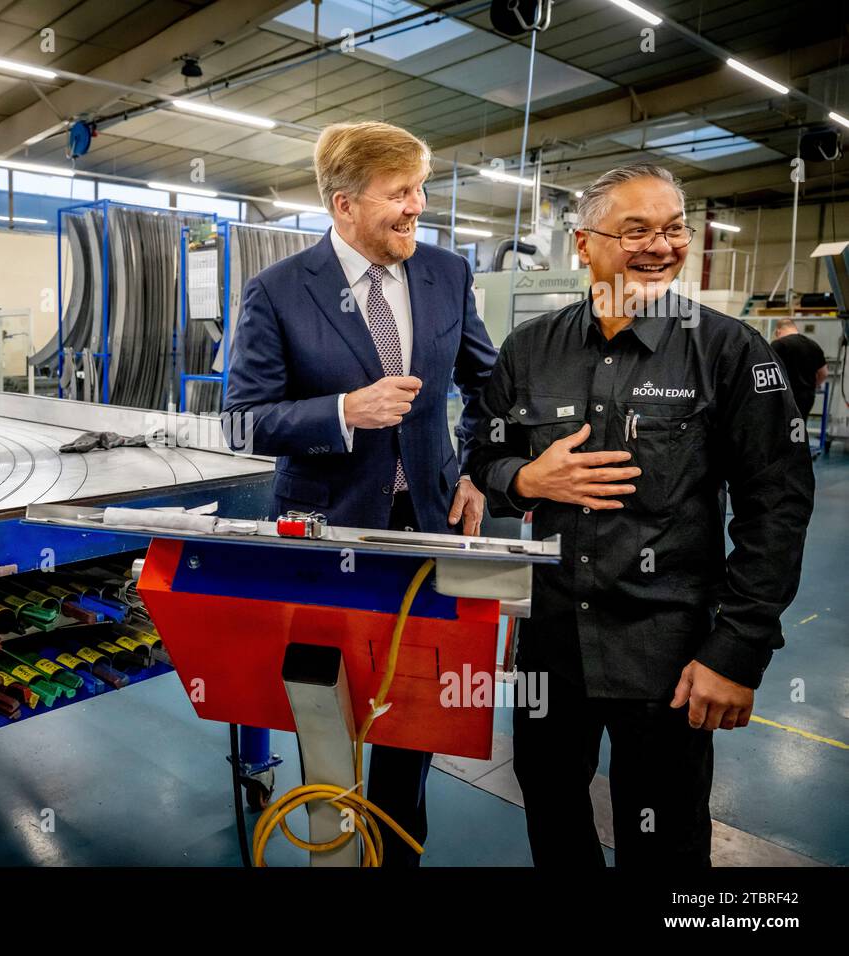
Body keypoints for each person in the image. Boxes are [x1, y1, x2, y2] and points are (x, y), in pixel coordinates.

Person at [467, 163, 815, 867]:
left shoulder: (728, 351)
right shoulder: (530, 351)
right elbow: (481, 461)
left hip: (667, 654)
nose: (661, 245)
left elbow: (775, 507)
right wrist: (527, 479)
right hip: (552, 647)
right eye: (636, 230)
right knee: (552, 811)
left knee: (664, 839)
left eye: (675, 228)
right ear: (584, 244)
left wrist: (737, 649)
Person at [223, 120, 498, 865]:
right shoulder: (277, 292)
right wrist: (343, 411)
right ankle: (335, 844)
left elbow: (487, 385)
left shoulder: (446, 273)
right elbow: (241, 423)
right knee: (328, 703)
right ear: (344, 204)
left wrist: (472, 469)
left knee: (413, 712)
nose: (418, 207)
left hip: (425, 526)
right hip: (325, 531)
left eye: (420, 190)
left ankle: (396, 850)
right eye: (400, 193)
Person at [770, 318, 828, 421]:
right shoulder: (814, 345)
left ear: (778, 331)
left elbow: (768, 370)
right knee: (799, 426)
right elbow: (824, 373)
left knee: (781, 429)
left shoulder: (778, 344)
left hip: (785, 397)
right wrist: (812, 386)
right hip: (807, 397)